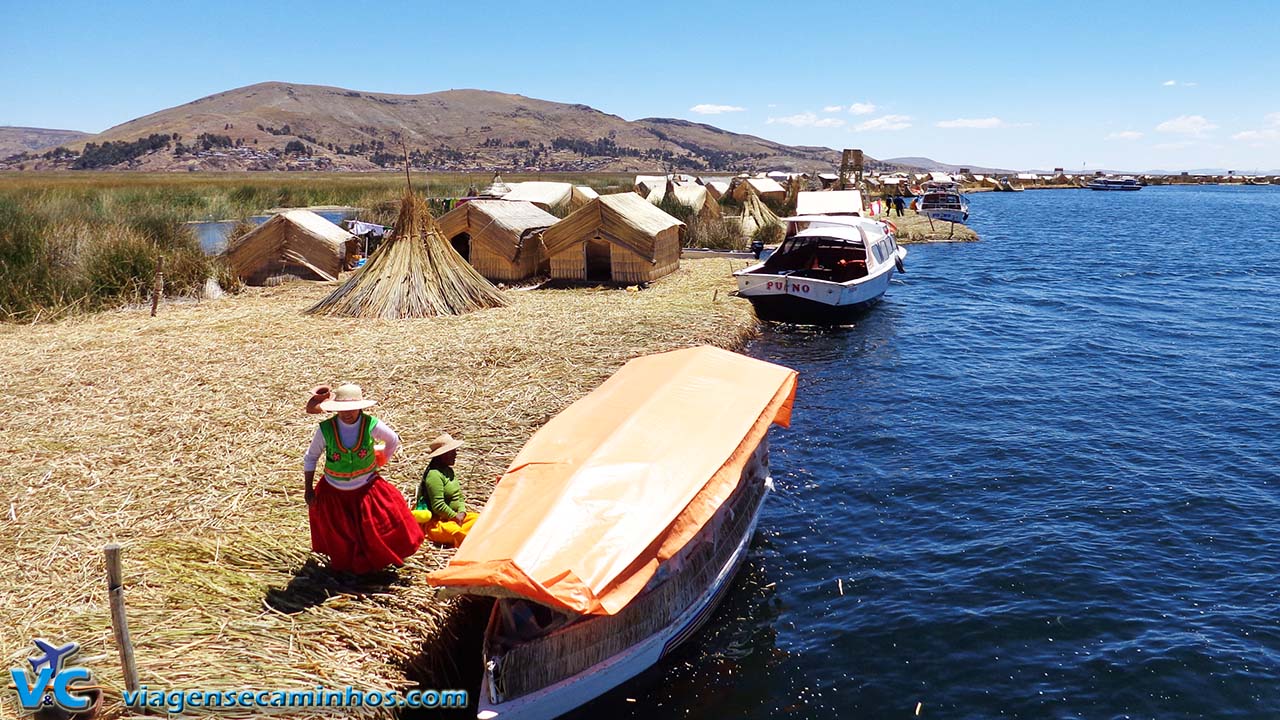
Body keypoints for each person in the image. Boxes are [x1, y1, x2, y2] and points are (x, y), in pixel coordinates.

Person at [303, 383, 424, 574]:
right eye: (342, 409)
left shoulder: (370, 424)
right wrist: (308, 488)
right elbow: (311, 457)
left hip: (366, 488)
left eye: (351, 409)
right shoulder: (326, 429)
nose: (347, 413)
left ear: (360, 407)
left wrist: (381, 459)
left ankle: (377, 561)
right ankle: (350, 569)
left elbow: (392, 440)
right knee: (343, 535)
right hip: (335, 492)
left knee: (382, 524)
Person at [413, 433, 479, 547]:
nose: (455, 454)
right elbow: (438, 505)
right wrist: (454, 516)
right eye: (452, 452)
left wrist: (462, 511)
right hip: (437, 522)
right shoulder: (434, 475)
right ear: (442, 455)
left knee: (480, 520)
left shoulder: (449, 471)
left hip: (456, 518)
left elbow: (459, 496)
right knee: (455, 533)